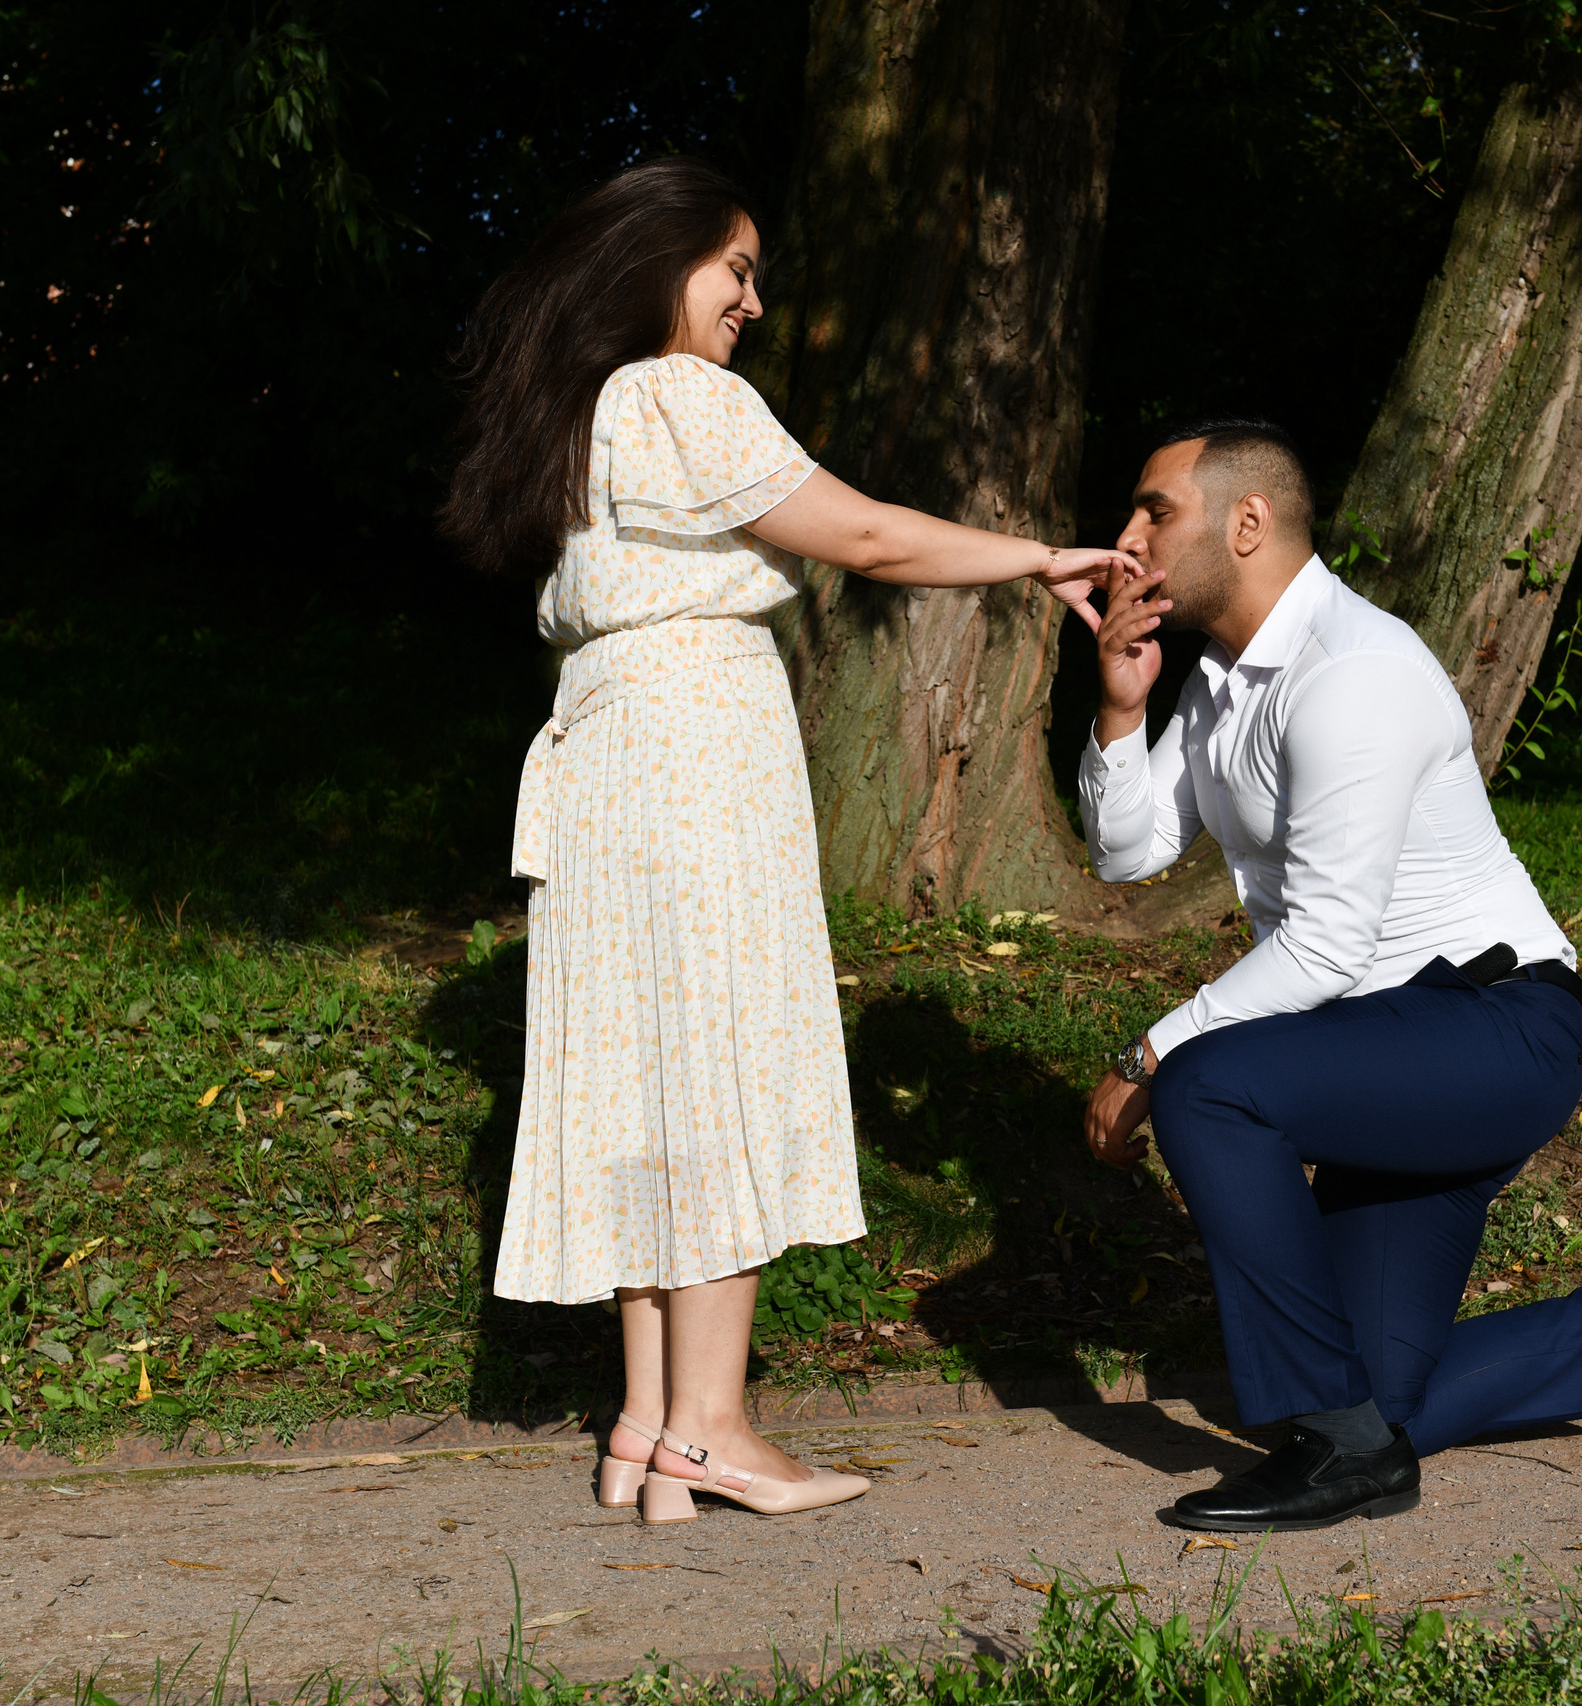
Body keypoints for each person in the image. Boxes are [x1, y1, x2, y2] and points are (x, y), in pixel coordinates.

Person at [440, 157, 1129, 1525]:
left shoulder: (584, 416)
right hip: (692, 754)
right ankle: (713, 1426)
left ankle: (646, 1416)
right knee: (725, 1064)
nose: (754, 300)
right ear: (658, 262)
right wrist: (1037, 558)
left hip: (606, 758)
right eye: (736, 269)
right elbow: (863, 532)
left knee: (650, 1072)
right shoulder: (682, 393)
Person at [1076, 420, 1582, 1533]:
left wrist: (1151, 1052)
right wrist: (1119, 704)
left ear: (1247, 523)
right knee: (1374, 1398)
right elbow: (1127, 851)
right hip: (1380, 1056)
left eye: (1155, 510)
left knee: (1210, 1083)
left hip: (1492, 1031)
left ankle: (1336, 1444)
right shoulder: (1220, 680)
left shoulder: (1357, 673)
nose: (1127, 536)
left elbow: (1329, 943)